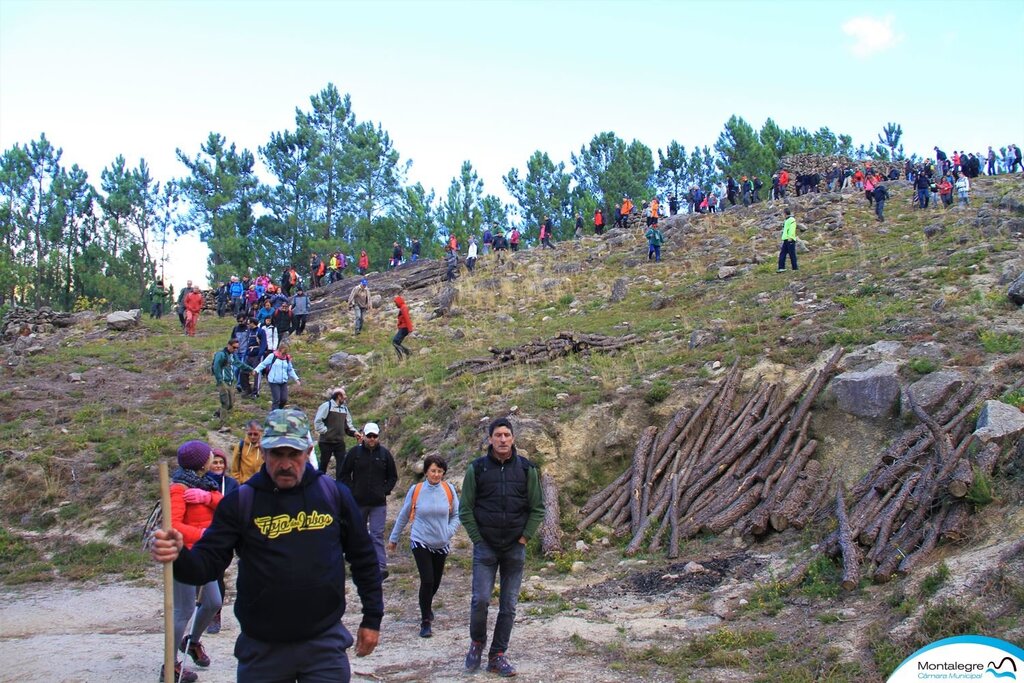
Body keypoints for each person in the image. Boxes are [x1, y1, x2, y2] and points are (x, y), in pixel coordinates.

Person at [150, 409, 384, 683]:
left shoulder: (332, 495)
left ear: (308, 451)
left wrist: (372, 618)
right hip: (262, 650)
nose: (285, 464)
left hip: (324, 645)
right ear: (262, 451)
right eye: (277, 454)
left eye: (293, 454)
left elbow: (364, 558)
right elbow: (205, 566)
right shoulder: (241, 502)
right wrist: (178, 555)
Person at [460, 418, 545, 678]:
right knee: (480, 600)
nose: (503, 439)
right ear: (490, 439)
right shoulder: (477, 469)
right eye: (498, 435)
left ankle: (497, 655)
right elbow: (465, 508)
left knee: (508, 605)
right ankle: (477, 643)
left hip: (514, 549)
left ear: (514, 438)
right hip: (485, 547)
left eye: (507, 434)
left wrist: (525, 538)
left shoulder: (526, 469)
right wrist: (477, 538)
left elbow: (537, 508)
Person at [167, 440, 224, 682]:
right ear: (202, 463)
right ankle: (169, 665)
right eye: (210, 455)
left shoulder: (206, 484)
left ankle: (192, 642)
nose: (213, 457)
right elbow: (173, 526)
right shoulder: (178, 489)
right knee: (184, 610)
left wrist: (207, 498)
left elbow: (225, 505)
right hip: (184, 556)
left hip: (204, 555)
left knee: (213, 602)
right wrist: (202, 534)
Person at [387, 454, 460, 639]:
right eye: (433, 471)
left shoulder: (448, 489)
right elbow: (404, 514)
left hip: (442, 542)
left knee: (435, 582)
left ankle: (426, 605)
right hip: (420, 540)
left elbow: (457, 515)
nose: (436, 475)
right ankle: (425, 620)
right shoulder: (417, 490)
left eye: (440, 471)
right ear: (426, 471)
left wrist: (449, 532)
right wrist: (393, 538)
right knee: (427, 580)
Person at [339, 422, 398, 580]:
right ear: (363, 435)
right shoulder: (354, 453)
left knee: (377, 534)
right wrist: (352, 490)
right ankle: (358, 565)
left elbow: (393, 476)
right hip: (358, 502)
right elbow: (343, 474)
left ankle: (380, 566)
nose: (372, 439)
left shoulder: (385, 454)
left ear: (378, 436)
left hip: (378, 503)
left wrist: (384, 490)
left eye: (374, 436)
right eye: (369, 436)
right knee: (358, 534)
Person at [204, 447, 238, 636]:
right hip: (201, 533)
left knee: (217, 574)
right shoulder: (200, 483)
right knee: (200, 576)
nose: (218, 465)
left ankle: (215, 614)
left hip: (224, 534)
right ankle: (203, 609)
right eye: (214, 462)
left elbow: (235, 505)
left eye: (221, 462)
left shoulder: (232, 484)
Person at [313, 387, 361, 479]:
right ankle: (319, 483)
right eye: (344, 395)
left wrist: (355, 433)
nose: (346, 397)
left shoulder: (344, 409)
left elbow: (348, 425)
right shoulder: (327, 406)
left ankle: (339, 486)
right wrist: (326, 431)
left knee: (342, 465)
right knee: (323, 464)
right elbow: (318, 421)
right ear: (339, 396)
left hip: (339, 442)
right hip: (326, 442)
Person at [212, 338, 252, 432]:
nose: (235, 350)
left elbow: (238, 364)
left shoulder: (233, 355)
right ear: (229, 345)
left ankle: (218, 413)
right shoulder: (221, 355)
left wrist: (250, 369)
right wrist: (220, 380)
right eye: (234, 347)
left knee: (231, 404)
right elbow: (216, 367)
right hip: (223, 382)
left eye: (237, 348)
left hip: (230, 382)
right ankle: (222, 425)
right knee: (225, 402)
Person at [253, 340, 300, 410]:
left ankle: (279, 411)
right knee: (277, 399)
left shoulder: (287, 358)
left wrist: (296, 379)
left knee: (284, 399)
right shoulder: (272, 356)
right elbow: (263, 364)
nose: (284, 355)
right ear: (279, 350)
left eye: (285, 353)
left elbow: (290, 369)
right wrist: (256, 370)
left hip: (283, 381)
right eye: (283, 353)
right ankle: (274, 414)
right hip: (273, 381)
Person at [777, 208, 798, 273]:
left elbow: (792, 229)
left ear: (785, 213)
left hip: (790, 239)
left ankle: (795, 268)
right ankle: (781, 267)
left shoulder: (791, 220)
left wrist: (790, 237)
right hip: (785, 239)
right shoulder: (786, 220)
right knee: (782, 254)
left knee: (792, 254)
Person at [392, 295, 413, 360]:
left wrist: (410, 329)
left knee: (395, 342)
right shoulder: (402, 307)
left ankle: (407, 352)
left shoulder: (404, 308)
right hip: (403, 328)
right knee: (396, 342)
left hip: (404, 328)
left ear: (399, 302)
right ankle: (403, 356)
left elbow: (407, 319)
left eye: (396, 303)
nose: (395, 304)